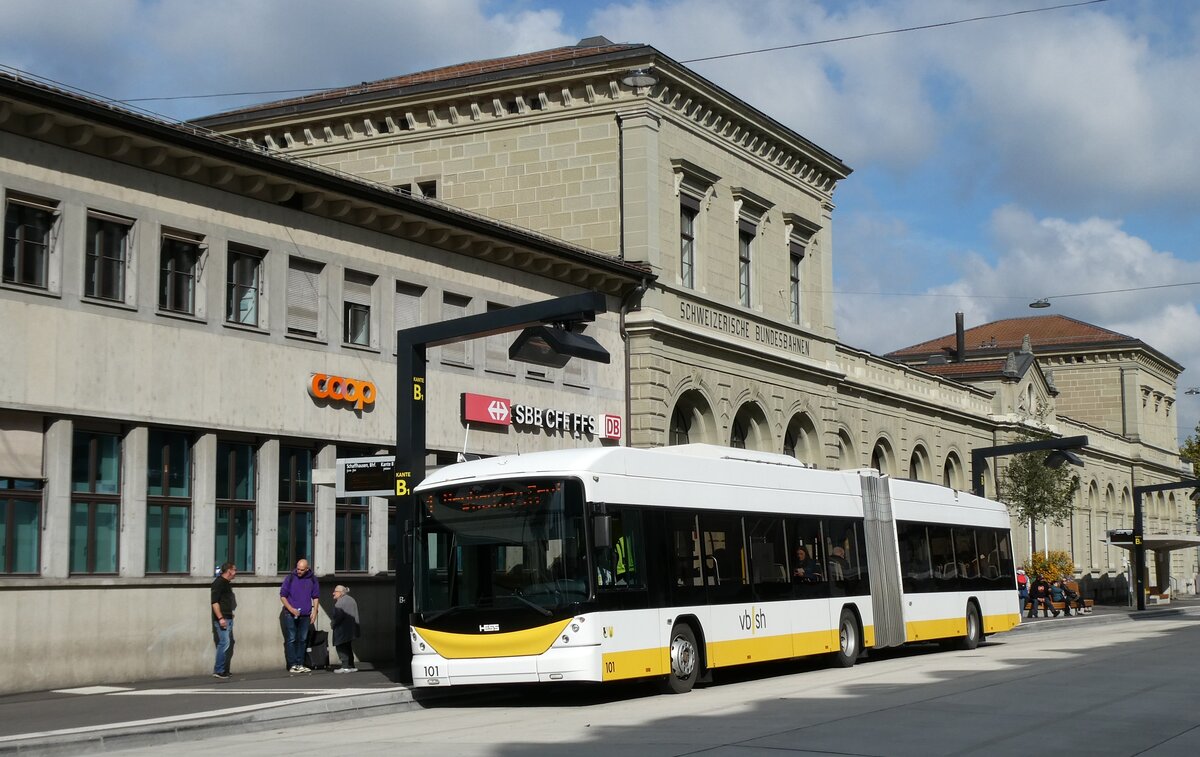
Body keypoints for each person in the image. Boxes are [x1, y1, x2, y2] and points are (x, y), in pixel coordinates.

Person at [280, 558, 321, 673]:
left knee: (302, 639)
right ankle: (292, 664)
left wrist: (315, 612)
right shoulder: (290, 578)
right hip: (290, 614)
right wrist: (291, 609)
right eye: (298, 569)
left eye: (302, 570)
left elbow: (316, 597)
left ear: (307, 569)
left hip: (305, 614)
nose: (299, 571)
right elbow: (282, 596)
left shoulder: (312, 579)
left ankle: (300, 663)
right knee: (291, 639)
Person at [210, 562, 237, 679]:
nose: (236, 572)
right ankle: (219, 670)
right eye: (234, 570)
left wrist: (230, 614)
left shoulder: (227, 583)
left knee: (227, 643)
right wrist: (220, 618)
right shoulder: (218, 583)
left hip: (228, 617)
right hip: (222, 618)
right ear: (229, 571)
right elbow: (214, 602)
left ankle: (224, 669)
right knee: (224, 643)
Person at [330, 585, 361, 673]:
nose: (333, 593)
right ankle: (351, 666)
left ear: (340, 593)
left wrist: (333, 623)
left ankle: (345, 666)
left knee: (341, 647)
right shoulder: (351, 600)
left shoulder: (340, 603)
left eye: (335, 591)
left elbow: (338, 617)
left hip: (342, 630)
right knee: (348, 647)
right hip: (351, 630)